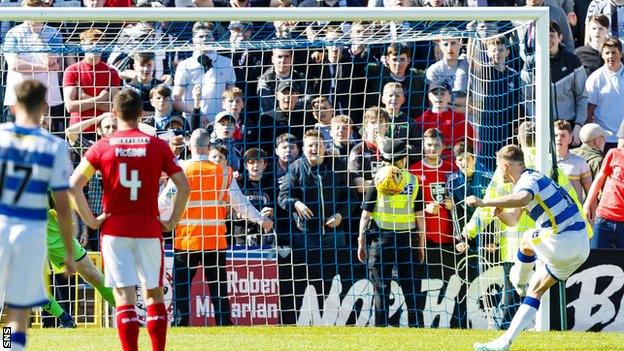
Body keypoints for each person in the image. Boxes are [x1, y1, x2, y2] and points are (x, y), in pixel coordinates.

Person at [70, 89, 190, 351]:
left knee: (124, 297)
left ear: (114, 113)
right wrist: (171, 221)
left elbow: (73, 186)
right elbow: (183, 185)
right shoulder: (158, 146)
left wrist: (90, 221)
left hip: (114, 231)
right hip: (148, 229)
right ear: (141, 113)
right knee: (153, 294)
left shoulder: (102, 146)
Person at [470, 145, 590, 351]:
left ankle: (519, 280)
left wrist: (484, 202)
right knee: (535, 291)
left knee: (527, 238)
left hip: (564, 241)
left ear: (505, 166)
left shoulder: (528, 181)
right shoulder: (533, 181)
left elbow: (523, 198)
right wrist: (497, 211)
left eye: (499, 168)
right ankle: (505, 342)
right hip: (580, 247)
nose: (499, 173)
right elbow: (514, 219)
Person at [158, 130, 272, 326]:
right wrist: (262, 220)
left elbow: (164, 202)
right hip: (215, 240)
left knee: (182, 289)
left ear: (190, 146)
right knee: (219, 289)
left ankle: (181, 325)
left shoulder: (181, 170)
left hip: (187, 240)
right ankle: (224, 326)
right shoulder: (224, 172)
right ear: (209, 147)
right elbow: (240, 203)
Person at [0, 80, 75, 351]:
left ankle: (4, 345)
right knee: (17, 307)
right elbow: (63, 205)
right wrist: (68, 250)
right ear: (44, 107)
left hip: (1, 224)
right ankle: (10, 348)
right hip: (31, 229)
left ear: (15, 106)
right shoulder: (53, 146)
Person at [358, 139, 425, 327]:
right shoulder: (413, 180)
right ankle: (417, 327)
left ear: (384, 159)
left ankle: (381, 327)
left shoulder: (377, 179)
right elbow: (420, 216)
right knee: (411, 286)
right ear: (403, 159)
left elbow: (365, 215)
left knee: (381, 287)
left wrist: (361, 242)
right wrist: (421, 245)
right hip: (408, 239)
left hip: (381, 240)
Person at [43, 193, 116, 328]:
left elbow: (65, 204)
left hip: (56, 239)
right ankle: (65, 320)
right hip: (25, 242)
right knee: (32, 287)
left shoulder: (45, 178)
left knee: (92, 275)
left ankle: (128, 313)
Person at [63, 28, 121, 135]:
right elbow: (70, 107)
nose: (95, 46)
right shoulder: (72, 70)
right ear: (82, 45)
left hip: (106, 130)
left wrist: (85, 99)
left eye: (99, 43)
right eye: (91, 43)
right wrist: (101, 98)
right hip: (79, 129)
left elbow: (116, 108)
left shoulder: (112, 72)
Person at [549, 21, 588, 147]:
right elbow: (527, 98)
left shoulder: (572, 60)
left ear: (560, 38)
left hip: (569, 126)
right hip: (544, 127)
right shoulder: (531, 63)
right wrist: (538, 123)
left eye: (552, 35)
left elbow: (582, 95)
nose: (548, 39)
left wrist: (578, 126)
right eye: (544, 35)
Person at [585, 37, 624, 151]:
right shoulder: (595, 78)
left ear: (620, 54)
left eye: (614, 52)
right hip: (604, 139)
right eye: (607, 53)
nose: (610, 56)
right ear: (602, 55)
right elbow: (589, 110)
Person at [583, 147, 624, 249]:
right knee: (595, 259)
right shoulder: (613, 153)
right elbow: (599, 179)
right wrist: (587, 205)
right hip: (604, 219)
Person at [555, 120, 592, 203]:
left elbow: (590, 192)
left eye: (563, 135)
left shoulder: (580, 162)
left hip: (574, 213)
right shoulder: (544, 161)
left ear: (570, 139)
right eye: (555, 135)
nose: (559, 139)